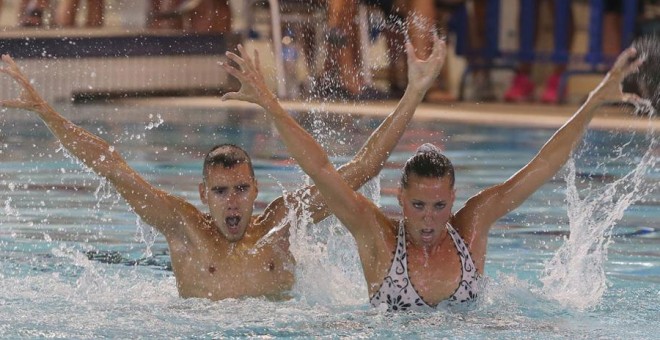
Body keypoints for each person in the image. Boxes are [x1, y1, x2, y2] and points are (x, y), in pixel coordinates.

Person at [0, 35, 445, 301]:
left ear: (256, 191)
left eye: (240, 189)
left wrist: (415, 92)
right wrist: (44, 112)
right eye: (220, 191)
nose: (232, 201)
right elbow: (110, 164)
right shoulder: (183, 228)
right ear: (202, 194)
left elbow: (364, 167)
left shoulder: (282, 223)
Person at [223, 38, 644, 311]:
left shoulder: (473, 226)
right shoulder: (377, 236)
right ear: (400, 199)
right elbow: (321, 170)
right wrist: (270, 105)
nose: (429, 218)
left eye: (440, 205)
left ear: (454, 199)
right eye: (419, 205)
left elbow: (543, 166)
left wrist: (591, 102)